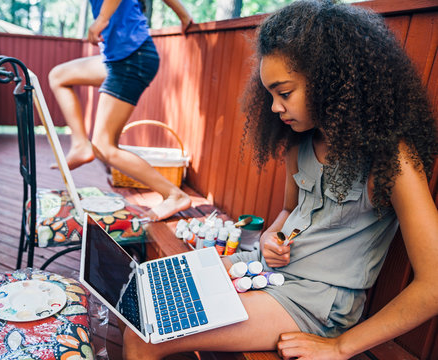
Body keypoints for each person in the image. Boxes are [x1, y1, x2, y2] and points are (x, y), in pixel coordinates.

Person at [121, 1, 438, 359]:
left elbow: (434, 285)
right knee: (141, 294)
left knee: (145, 336)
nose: (274, 107)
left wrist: (340, 347)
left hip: (315, 303)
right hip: (264, 266)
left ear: (332, 82)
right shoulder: (300, 144)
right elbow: (290, 211)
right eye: (269, 94)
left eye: (284, 93)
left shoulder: (391, 158)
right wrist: (274, 235)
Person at [49, 0, 193, 221]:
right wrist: (183, 16)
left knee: (104, 147)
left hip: (132, 58)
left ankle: (174, 195)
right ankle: (80, 145)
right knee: (59, 75)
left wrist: (102, 20)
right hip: (119, 59)